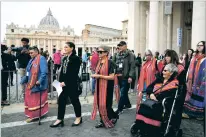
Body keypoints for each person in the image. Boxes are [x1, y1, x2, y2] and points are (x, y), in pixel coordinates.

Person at [134, 63, 179, 137]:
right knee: (143, 106)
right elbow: (149, 87)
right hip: (152, 100)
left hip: (163, 103)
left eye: (165, 71)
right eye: (163, 70)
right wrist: (151, 94)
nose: (162, 72)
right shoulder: (159, 79)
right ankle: (142, 129)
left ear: (171, 73)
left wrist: (158, 98)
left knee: (154, 110)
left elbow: (170, 96)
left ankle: (150, 132)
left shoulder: (174, 83)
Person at [50, 42, 82, 128]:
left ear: (72, 48)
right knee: (61, 101)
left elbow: (74, 73)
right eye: (64, 47)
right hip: (63, 84)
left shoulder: (76, 58)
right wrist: (59, 82)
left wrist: (66, 82)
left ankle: (78, 117)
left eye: (67, 47)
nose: (65, 48)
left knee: (75, 101)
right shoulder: (64, 58)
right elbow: (62, 72)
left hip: (72, 83)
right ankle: (60, 119)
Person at [91, 45, 120, 128]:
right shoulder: (99, 62)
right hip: (99, 86)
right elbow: (98, 73)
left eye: (101, 52)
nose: (98, 53)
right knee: (100, 104)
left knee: (106, 105)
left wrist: (99, 76)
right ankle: (105, 119)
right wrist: (95, 75)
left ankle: (108, 119)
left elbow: (111, 77)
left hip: (107, 87)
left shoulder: (111, 63)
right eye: (98, 52)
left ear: (106, 53)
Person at [20, 46, 48, 123]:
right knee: (30, 100)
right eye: (29, 53)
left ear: (36, 52)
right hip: (30, 83)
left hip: (37, 84)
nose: (30, 54)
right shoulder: (31, 60)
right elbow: (28, 71)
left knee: (34, 101)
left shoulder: (41, 59)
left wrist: (40, 80)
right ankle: (34, 114)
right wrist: (24, 79)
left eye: (32, 53)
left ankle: (34, 116)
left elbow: (44, 72)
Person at [183, 41, 205, 120]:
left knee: (200, 97)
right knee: (192, 96)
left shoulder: (204, 58)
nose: (199, 47)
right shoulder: (195, 57)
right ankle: (190, 113)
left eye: (201, 45)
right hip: (193, 81)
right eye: (198, 45)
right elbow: (190, 69)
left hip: (202, 80)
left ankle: (199, 114)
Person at [113, 41, 136, 115]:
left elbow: (132, 66)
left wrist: (130, 76)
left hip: (125, 77)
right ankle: (128, 104)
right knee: (124, 92)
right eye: (119, 46)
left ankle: (120, 109)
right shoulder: (117, 54)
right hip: (118, 76)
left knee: (122, 93)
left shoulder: (130, 54)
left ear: (125, 46)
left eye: (121, 45)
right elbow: (114, 63)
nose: (119, 47)